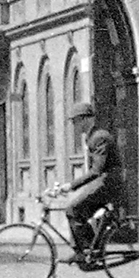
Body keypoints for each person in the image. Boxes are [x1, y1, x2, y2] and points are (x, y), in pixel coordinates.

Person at [57, 100, 121, 268]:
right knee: (77, 210)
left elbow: (97, 170)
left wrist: (71, 185)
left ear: (85, 119)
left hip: (108, 184)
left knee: (73, 208)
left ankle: (88, 251)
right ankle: (87, 251)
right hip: (103, 182)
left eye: (75, 121)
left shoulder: (99, 137)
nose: (74, 126)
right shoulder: (93, 136)